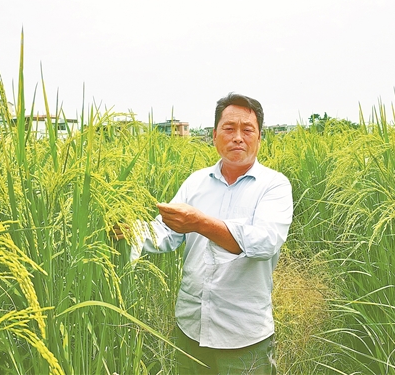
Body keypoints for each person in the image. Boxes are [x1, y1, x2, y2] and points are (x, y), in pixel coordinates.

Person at [113, 93, 293, 374]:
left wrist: (199, 223)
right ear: (214, 135)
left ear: (260, 137)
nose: (237, 137)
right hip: (191, 327)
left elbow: (264, 242)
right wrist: (132, 231)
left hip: (243, 334)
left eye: (247, 130)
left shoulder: (274, 186)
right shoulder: (196, 182)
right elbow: (167, 231)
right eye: (229, 128)